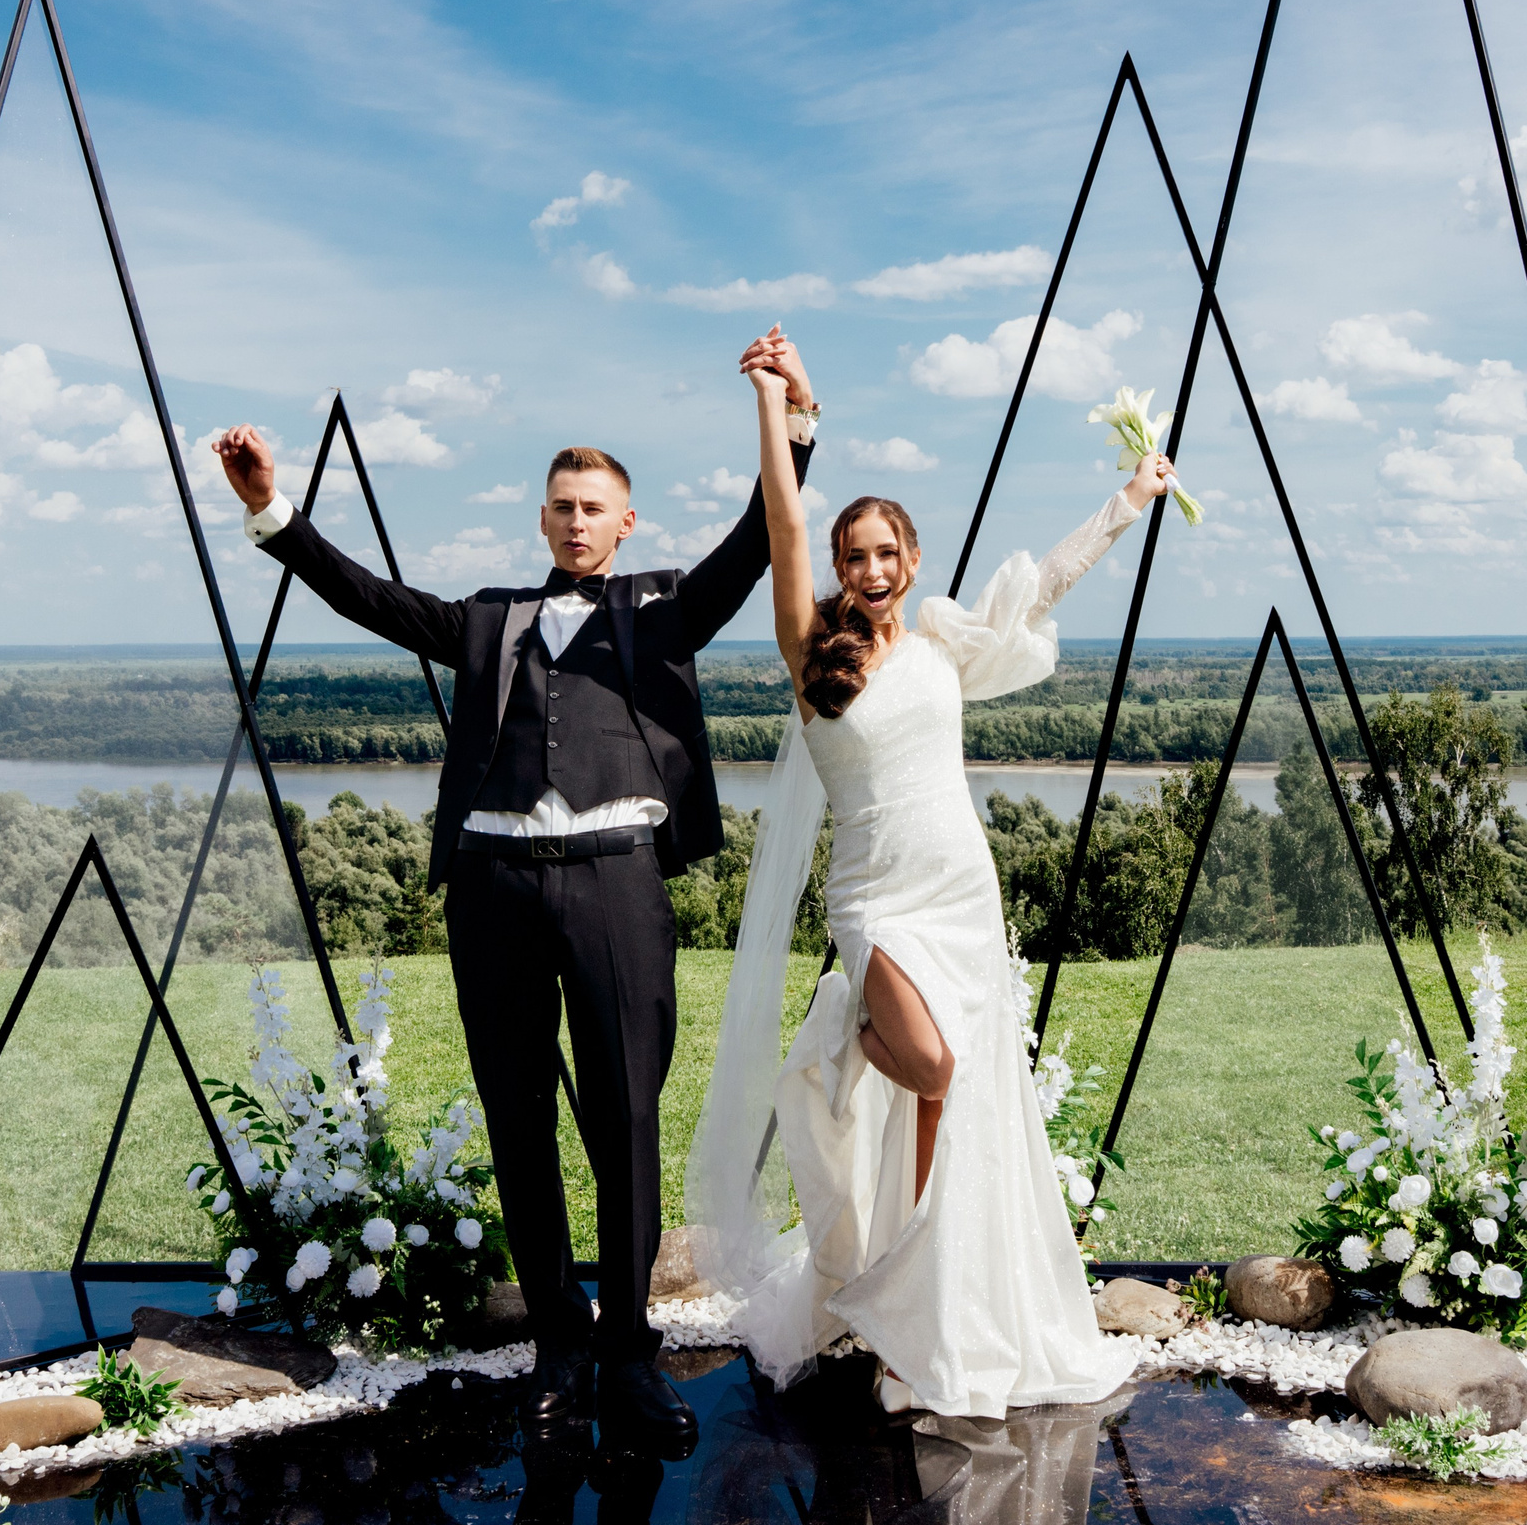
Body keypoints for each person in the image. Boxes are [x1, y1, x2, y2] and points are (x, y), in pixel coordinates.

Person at [210, 390, 816, 1456]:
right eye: (560, 507)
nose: (575, 521)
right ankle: (560, 1348)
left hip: (618, 883)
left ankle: (629, 1349)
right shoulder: (489, 620)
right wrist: (274, 515)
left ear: (623, 523)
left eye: (593, 507)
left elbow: (756, 542)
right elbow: (375, 603)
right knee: (519, 1122)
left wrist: (792, 432)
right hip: (492, 888)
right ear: (542, 521)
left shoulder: (663, 608)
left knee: (625, 1117)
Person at [685, 328, 1167, 1418]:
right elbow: (782, 518)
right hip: (876, 899)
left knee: (953, 1105)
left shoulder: (943, 640)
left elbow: (1036, 586)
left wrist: (1125, 501)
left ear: (909, 559)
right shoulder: (810, 649)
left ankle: (917, 1315)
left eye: (883, 551)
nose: (867, 567)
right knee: (932, 1067)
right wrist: (779, 407)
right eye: (853, 553)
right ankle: (842, 1049)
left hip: (961, 889)